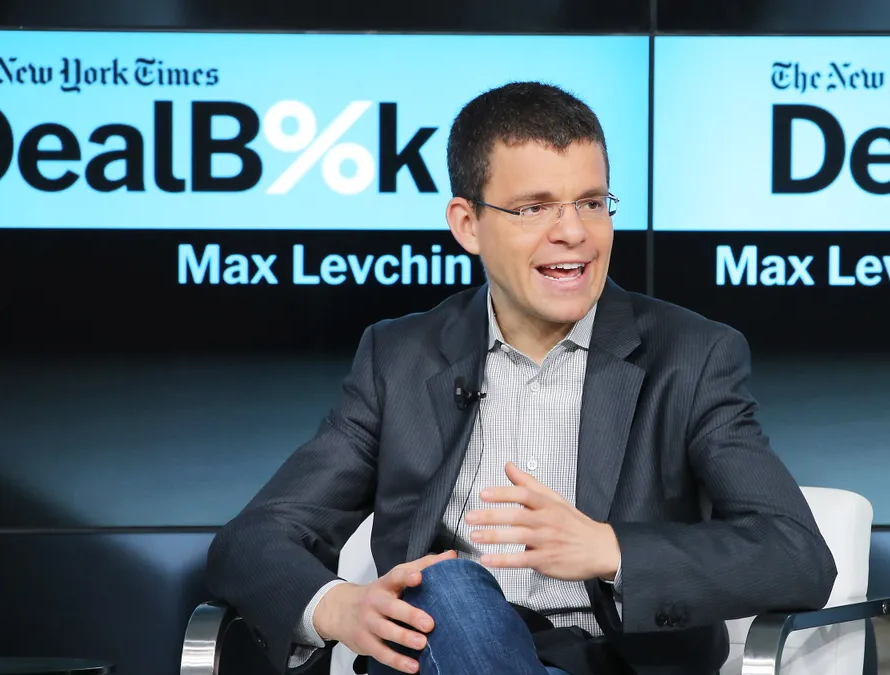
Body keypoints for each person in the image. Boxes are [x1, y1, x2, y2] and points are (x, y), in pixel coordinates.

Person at [205, 81, 836, 675]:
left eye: (591, 202)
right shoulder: (400, 359)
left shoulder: (691, 355)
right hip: (443, 651)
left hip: (611, 662)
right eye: (535, 208)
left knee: (444, 586)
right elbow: (254, 539)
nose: (573, 233)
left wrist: (612, 550)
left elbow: (796, 554)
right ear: (467, 225)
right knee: (447, 588)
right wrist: (336, 605)